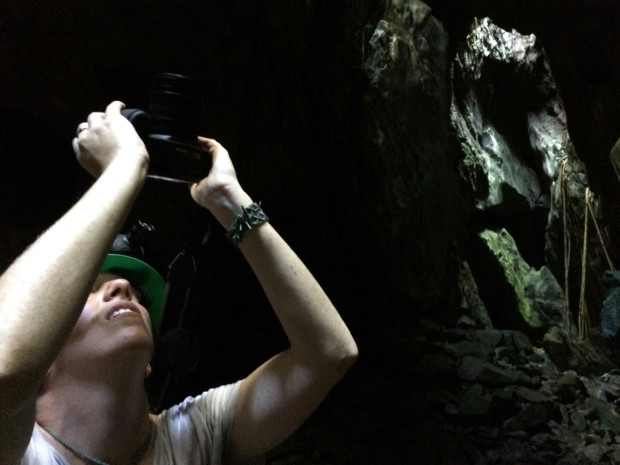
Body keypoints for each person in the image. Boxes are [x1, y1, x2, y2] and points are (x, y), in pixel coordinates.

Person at [0, 101, 358, 465]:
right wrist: (123, 169)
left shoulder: (196, 435)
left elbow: (328, 352)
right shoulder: (20, 450)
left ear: (149, 364)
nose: (123, 289)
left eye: (137, 292)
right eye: (87, 292)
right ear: (42, 357)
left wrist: (229, 200)